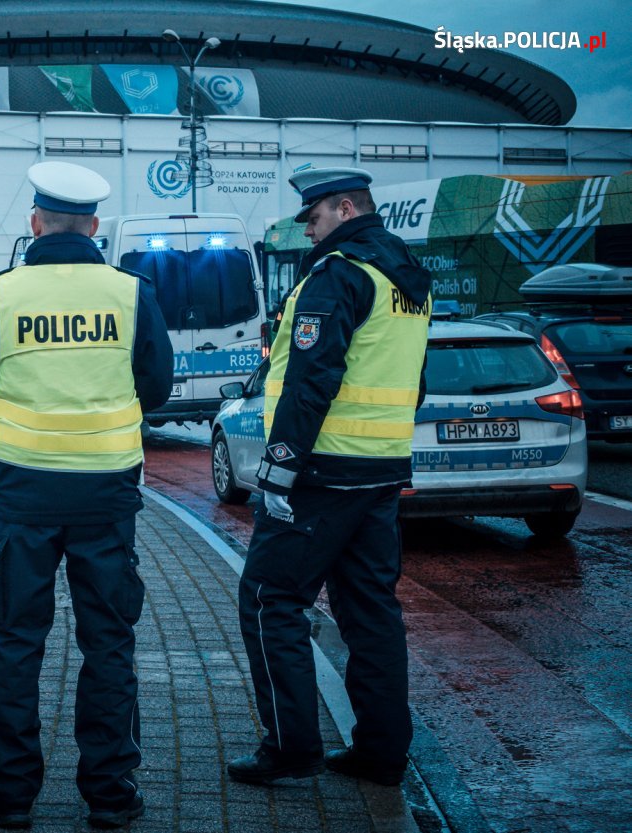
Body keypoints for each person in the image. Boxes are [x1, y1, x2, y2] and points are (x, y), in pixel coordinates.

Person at [0, 161, 173, 830]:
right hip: (107, 498)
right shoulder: (132, 293)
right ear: (96, 227)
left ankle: (11, 796)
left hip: (24, 495)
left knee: (17, 644)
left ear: (35, 224)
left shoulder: (2, 292)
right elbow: (157, 389)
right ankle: (110, 795)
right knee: (109, 644)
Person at [227, 167, 431, 787]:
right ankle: (380, 752)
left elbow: (311, 379)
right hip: (379, 471)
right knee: (370, 610)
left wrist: (279, 468)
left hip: (321, 470)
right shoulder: (408, 278)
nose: (309, 231)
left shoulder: (339, 272)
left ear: (345, 208)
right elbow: (414, 379)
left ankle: (291, 749)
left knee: (269, 600)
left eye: (313, 218)